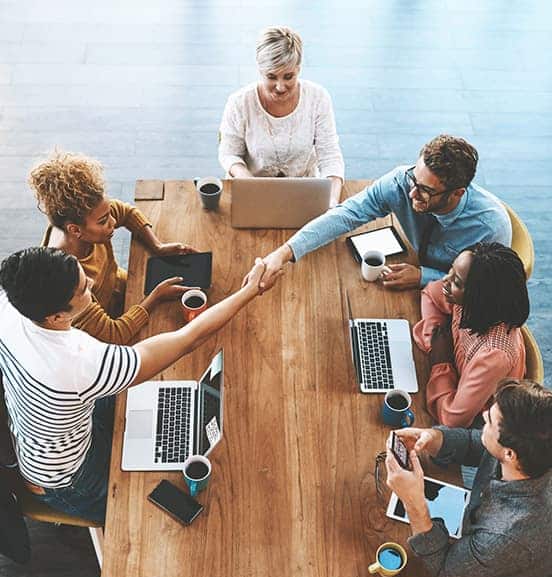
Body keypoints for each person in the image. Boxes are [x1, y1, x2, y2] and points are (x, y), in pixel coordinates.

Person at [0, 247, 275, 523]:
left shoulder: (8, 305)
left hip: (54, 428)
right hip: (68, 478)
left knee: (157, 407)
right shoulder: (79, 362)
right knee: (140, 518)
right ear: (56, 316)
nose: (92, 284)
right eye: (84, 289)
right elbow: (187, 340)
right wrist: (250, 291)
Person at [385, 379, 552, 577]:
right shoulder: (529, 455)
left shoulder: (508, 535)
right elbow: (481, 445)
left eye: (490, 421)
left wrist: (414, 503)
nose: (483, 414)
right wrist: (432, 437)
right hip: (476, 537)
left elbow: (443, 567)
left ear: (509, 454)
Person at [252, 134, 512, 291]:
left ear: (457, 193)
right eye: (414, 178)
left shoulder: (490, 226)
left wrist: (424, 277)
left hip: (450, 301)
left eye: (425, 191)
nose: (411, 193)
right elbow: (346, 214)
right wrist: (284, 252)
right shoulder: (402, 181)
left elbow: (485, 288)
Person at [29, 150, 198, 345]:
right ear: (75, 230)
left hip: (122, 289)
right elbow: (114, 334)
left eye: (109, 213)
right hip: (106, 330)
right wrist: (155, 297)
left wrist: (157, 246)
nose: (113, 222)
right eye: (103, 221)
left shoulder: (87, 217)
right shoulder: (67, 280)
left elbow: (126, 212)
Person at [218, 26, 344, 207]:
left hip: (305, 193)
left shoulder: (318, 98)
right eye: (271, 76)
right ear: (260, 70)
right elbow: (229, 154)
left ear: (298, 69)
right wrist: (251, 184)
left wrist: (331, 202)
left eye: (288, 76)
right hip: (253, 194)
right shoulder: (239, 103)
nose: (280, 87)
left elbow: (330, 156)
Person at [413, 242, 528, 427]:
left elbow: (452, 420)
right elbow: (430, 294)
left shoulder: (494, 354)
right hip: (454, 385)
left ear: (481, 296)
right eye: (451, 269)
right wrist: (434, 340)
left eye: (457, 282)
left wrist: (441, 361)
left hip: (481, 425)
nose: (445, 280)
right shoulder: (467, 302)